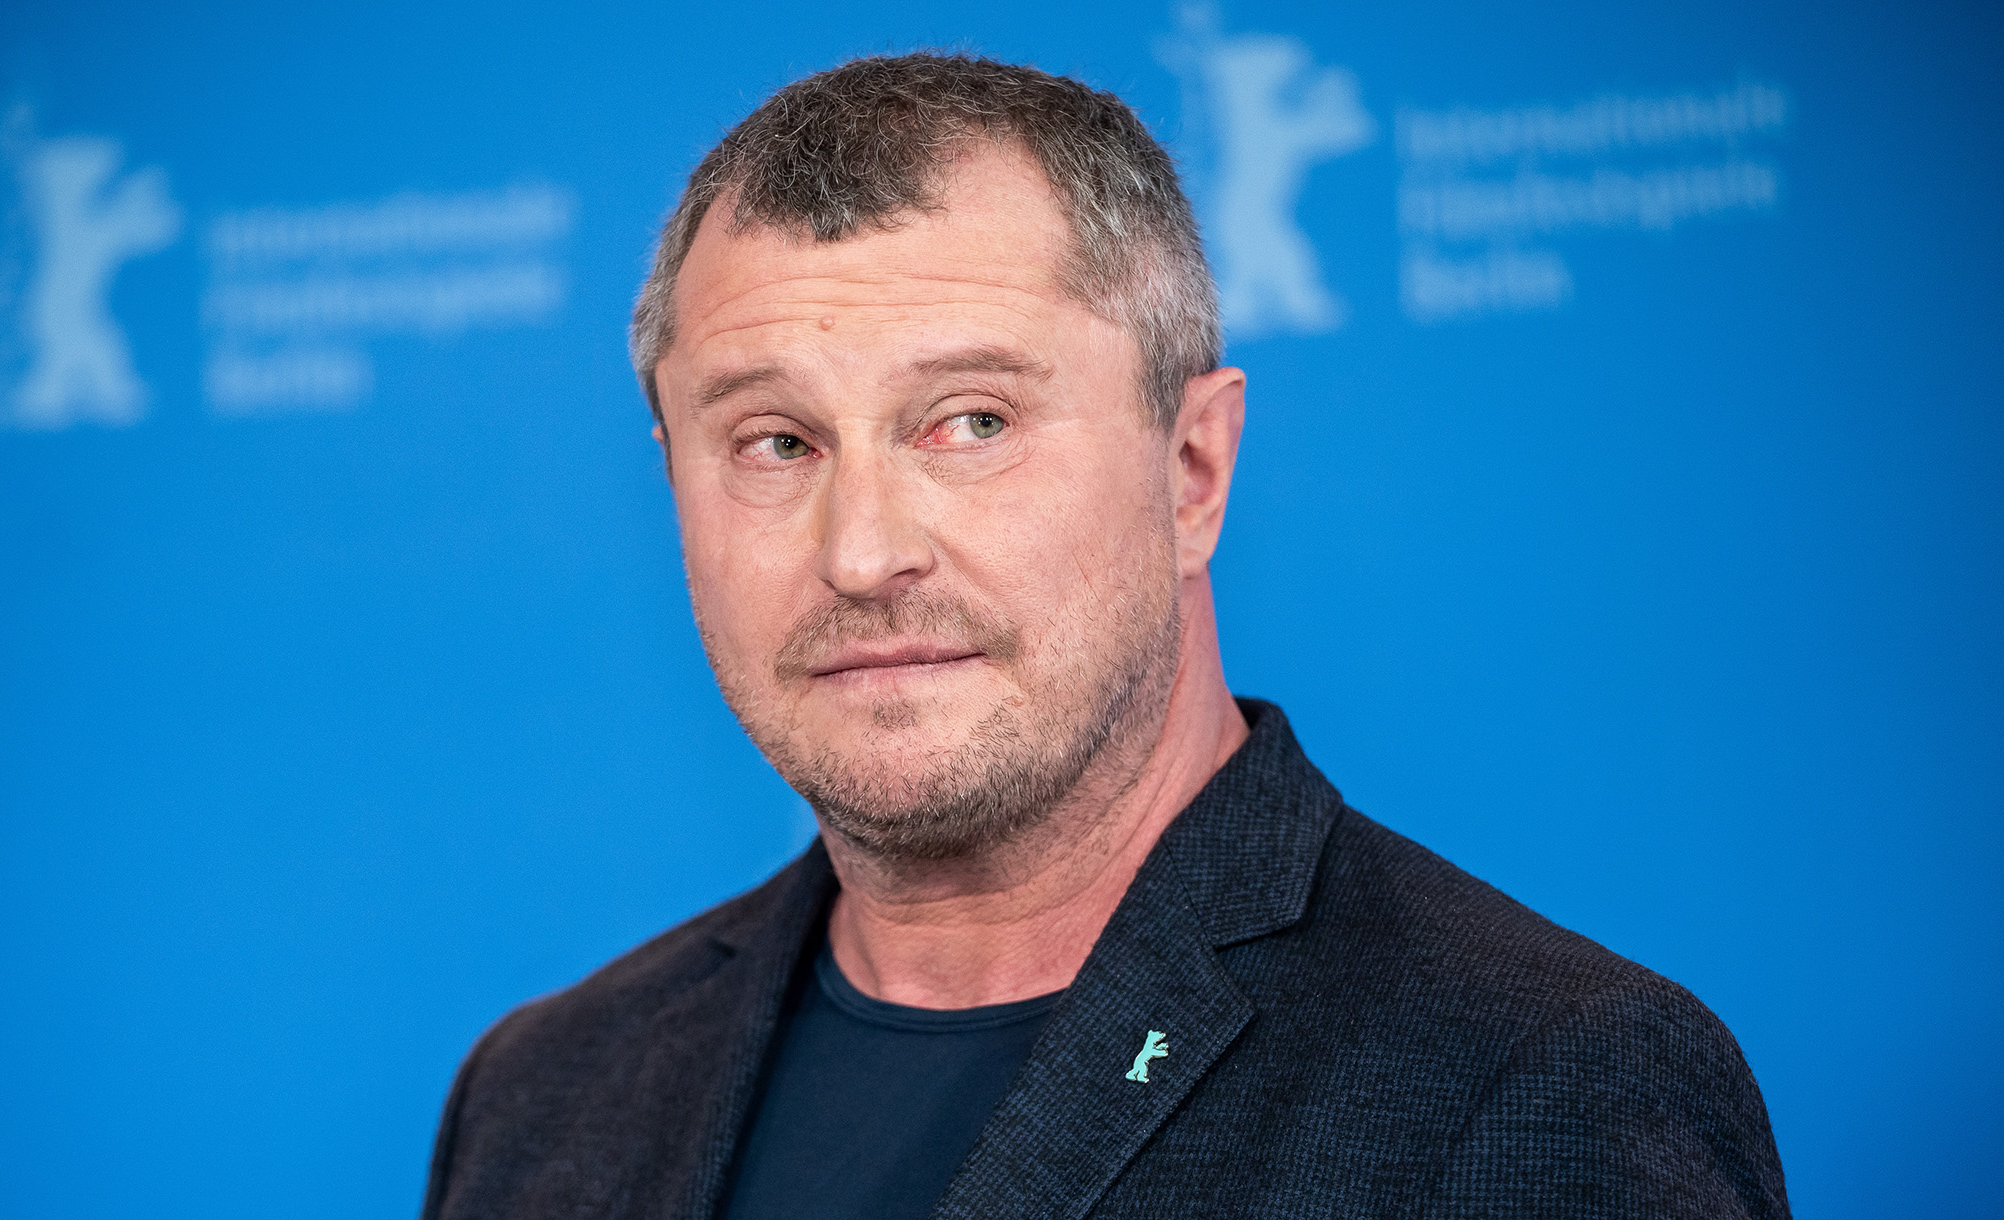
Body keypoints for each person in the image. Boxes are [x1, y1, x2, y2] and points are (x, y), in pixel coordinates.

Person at [420, 53, 1789, 1220]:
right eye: (774, 443)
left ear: (1192, 469)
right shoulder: (542, 1096)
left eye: (973, 422)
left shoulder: (1537, 1084)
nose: (860, 552)